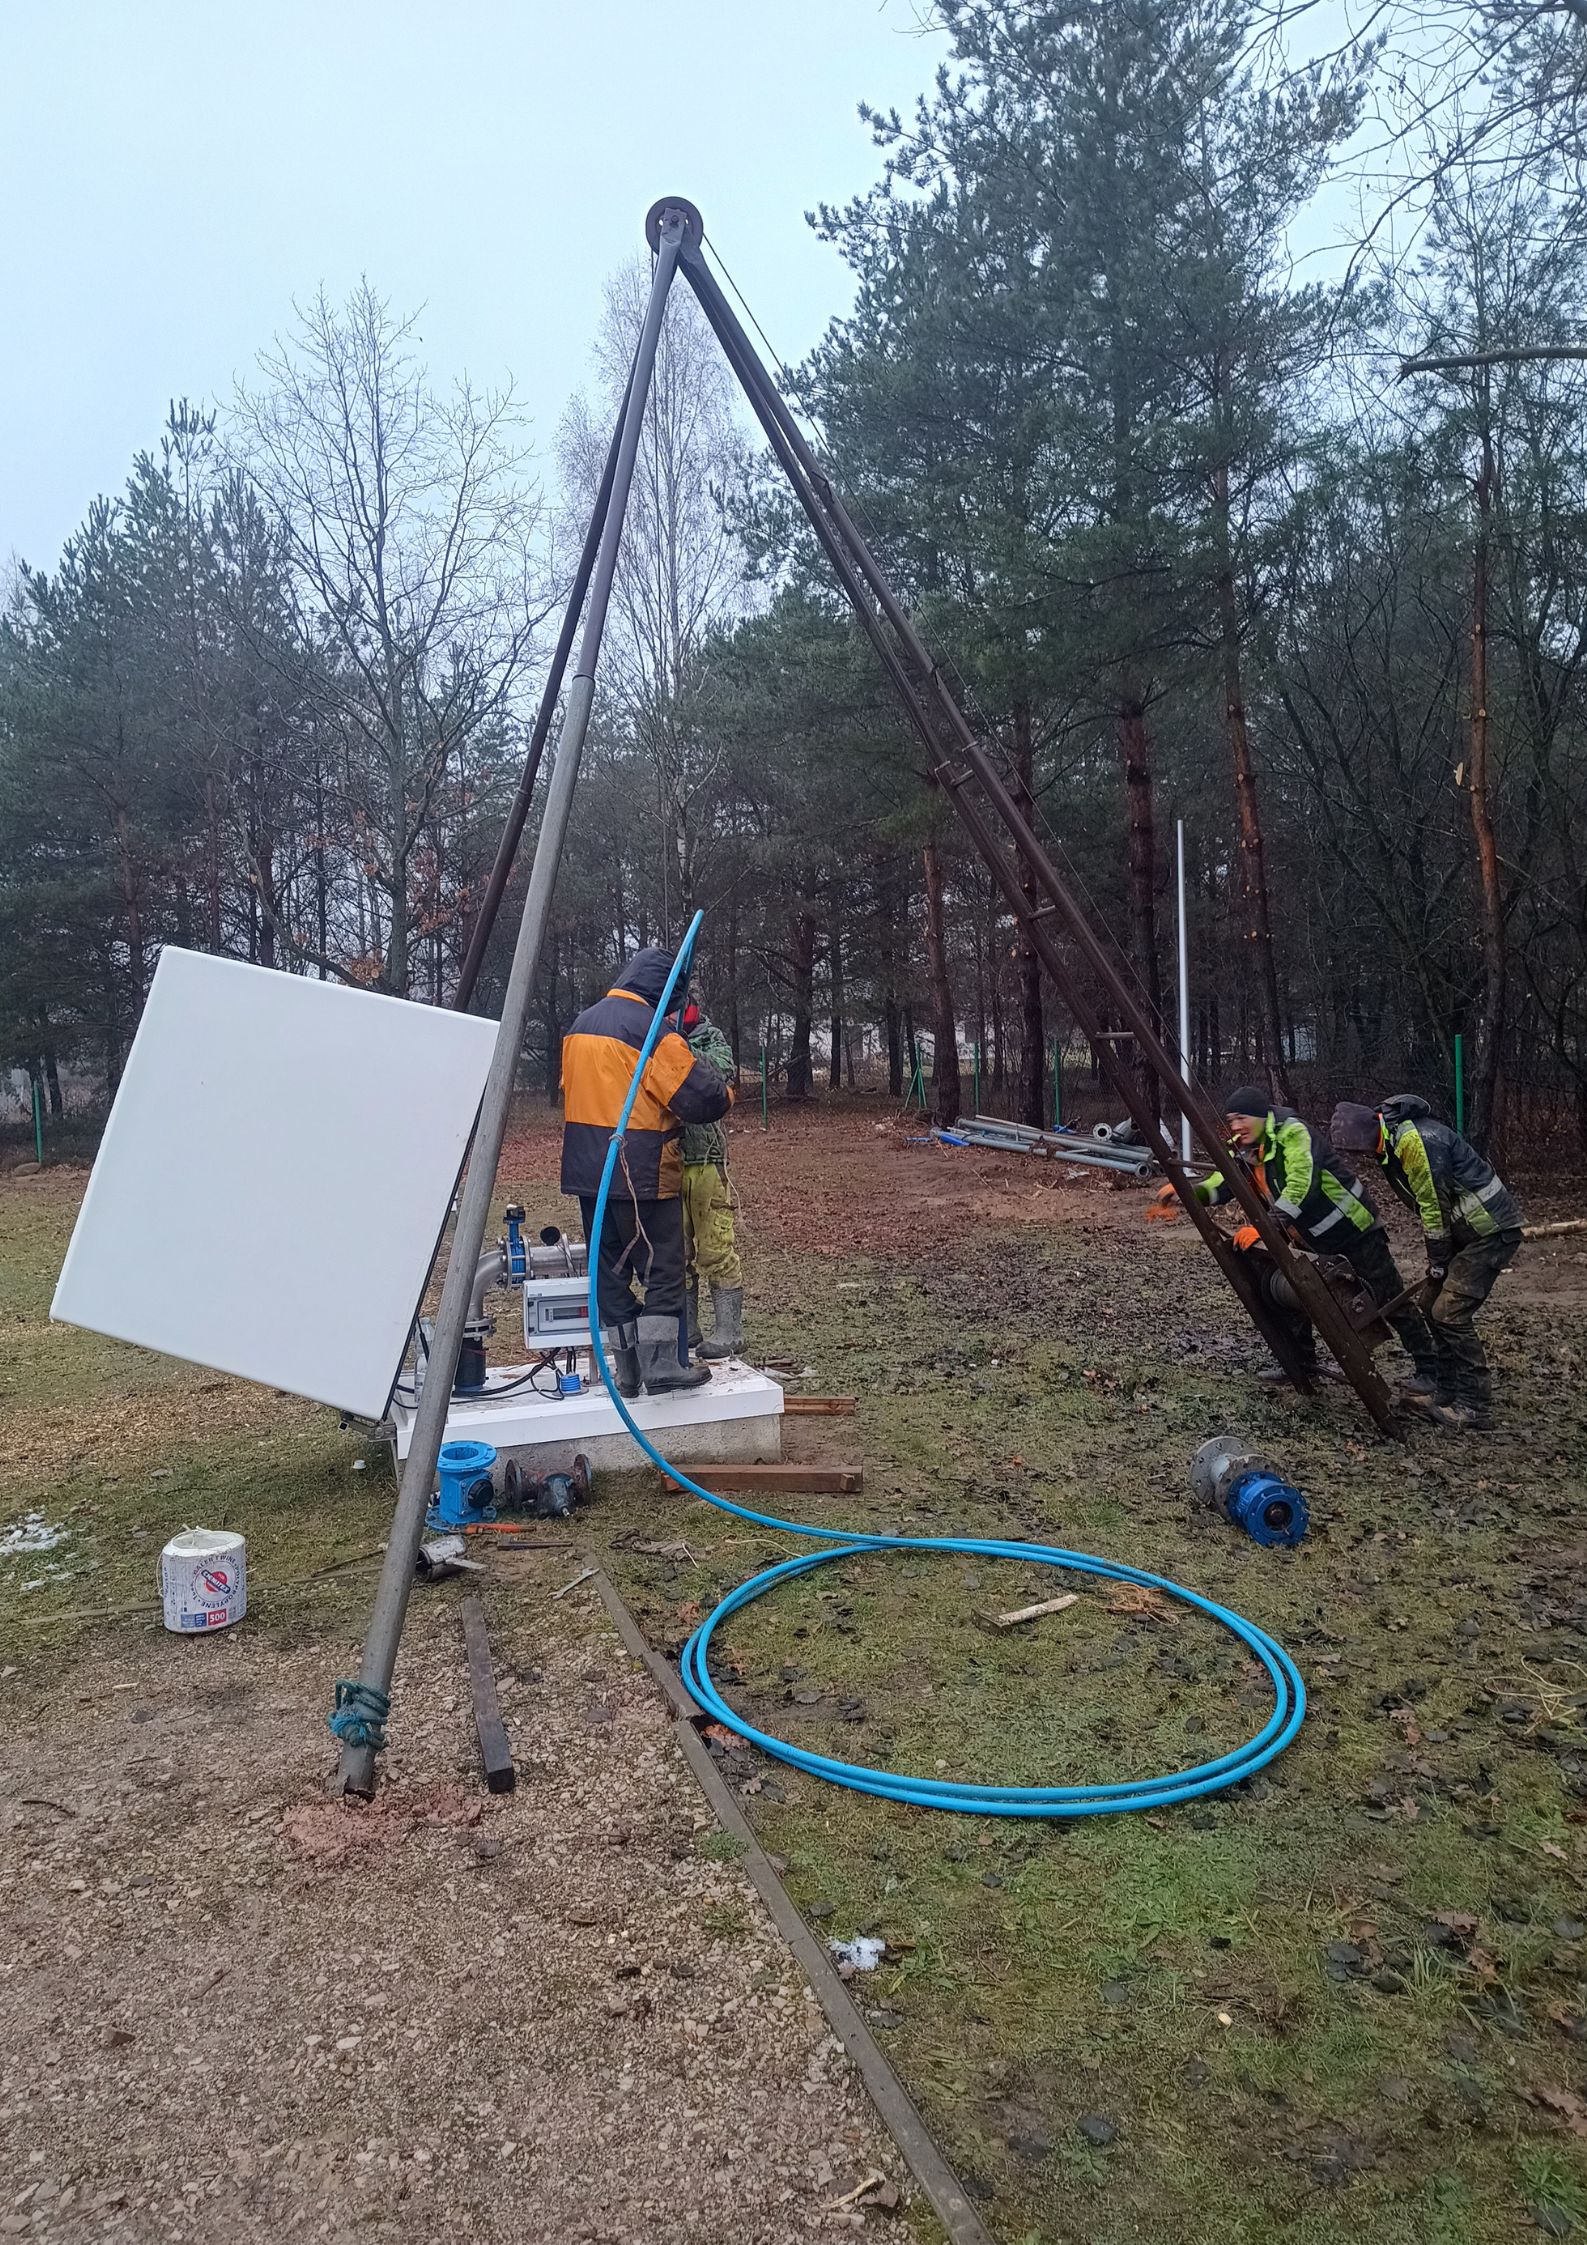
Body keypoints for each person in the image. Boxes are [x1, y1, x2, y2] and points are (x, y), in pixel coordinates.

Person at [1171, 1085, 1440, 1391]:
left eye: (1241, 1118)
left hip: (1354, 1231)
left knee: (1388, 1298)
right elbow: (1224, 1181)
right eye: (1231, 1120)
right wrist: (1187, 1192)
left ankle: (1430, 1369)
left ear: (1261, 1116)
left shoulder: (1294, 1133)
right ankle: (1301, 1364)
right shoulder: (1246, 1149)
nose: (1235, 1126)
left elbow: (1301, 1185)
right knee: (1296, 1294)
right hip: (1309, 1239)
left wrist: (1264, 1228)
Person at [560, 946, 731, 1398]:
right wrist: (726, 1093)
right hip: (642, 1171)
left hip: (588, 1173)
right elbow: (700, 1098)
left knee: (610, 1271)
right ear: (661, 993)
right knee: (662, 1268)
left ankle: (628, 1371)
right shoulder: (650, 1031)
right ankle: (663, 1367)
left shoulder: (580, 1026)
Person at [1330, 1094, 1522, 1431]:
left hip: (1490, 1230)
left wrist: (1437, 1260)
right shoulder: (1391, 1143)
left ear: (1368, 1133)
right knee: (1429, 1303)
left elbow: (1433, 1204)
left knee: (1450, 1312)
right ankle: (1445, 1391)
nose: (1360, 1158)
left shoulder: (1413, 1141)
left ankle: (1475, 1405)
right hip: (1470, 1231)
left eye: (1358, 1150)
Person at [677, 997, 744, 1360]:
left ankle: (729, 1331)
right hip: (669, 1159)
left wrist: (680, 1050)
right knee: (675, 1253)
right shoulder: (653, 1037)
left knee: (716, 1246)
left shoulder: (710, 1038)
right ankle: (686, 1328)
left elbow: (721, 1073)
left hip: (707, 1161)